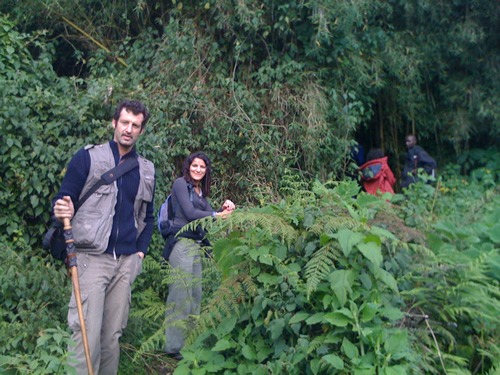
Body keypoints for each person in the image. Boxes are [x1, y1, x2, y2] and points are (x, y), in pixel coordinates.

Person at [52, 100, 155, 374]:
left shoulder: (146, 169)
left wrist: (139, 254)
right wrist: (62, 207)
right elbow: (63, 200)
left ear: (141, 131)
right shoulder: (87, 158)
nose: (128, 129)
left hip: (125, 262)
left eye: (135, 125)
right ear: (114, 123)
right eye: (124, 122)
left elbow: (149, 217)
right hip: (90, 259)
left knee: (112, 338)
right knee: (86, 334)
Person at [163, 151, 235, 360]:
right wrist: (216, 215)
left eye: (202, 167)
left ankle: (190, 344)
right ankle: (173, 347)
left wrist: (224, 209)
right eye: (195, 165)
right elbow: (190, 213)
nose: (198, 170)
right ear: (188, 167)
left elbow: (210, 215)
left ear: (206, 171)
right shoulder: (180, 185)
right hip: (181, 244)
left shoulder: (199, 192)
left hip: (195, 246)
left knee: (195, 295)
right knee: (180, 294)